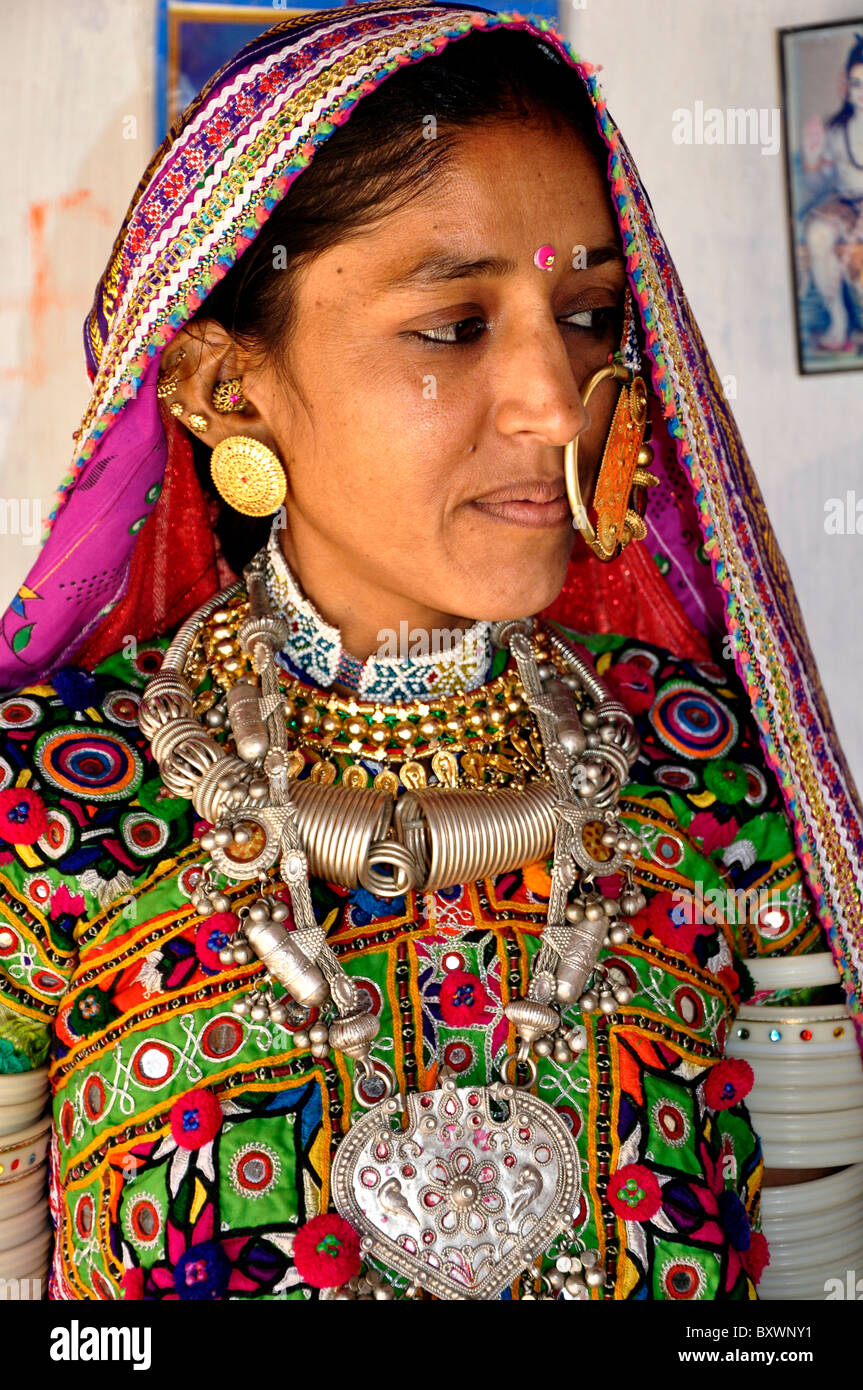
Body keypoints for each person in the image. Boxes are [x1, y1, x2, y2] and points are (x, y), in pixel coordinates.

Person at [0, 0, 860, 1303]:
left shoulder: (707, 772)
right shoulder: (49, 811)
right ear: (226, 391)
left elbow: (814, 1264)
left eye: (585, 314)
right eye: (453, 325)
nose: (552, 397)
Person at [802, 32, 863, 352]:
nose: (861, 92)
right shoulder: (837, 129)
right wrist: (812, 158)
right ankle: (838, 320)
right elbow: (819, 183)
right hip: (845, 203)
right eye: (856, 84)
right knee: (818, 233)